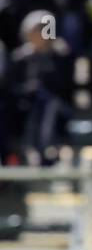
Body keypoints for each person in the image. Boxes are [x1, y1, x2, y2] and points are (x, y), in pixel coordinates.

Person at [7, 10, 74, 163]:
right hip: (24, 107)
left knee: (48, 103)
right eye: (36, 31)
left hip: (55, 107)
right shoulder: (20, 58)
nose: (40, 35)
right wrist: (29, 89)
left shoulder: (60, 57)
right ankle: (29, 148)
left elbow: (65, 86)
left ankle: (46, 148)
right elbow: (11, 88)